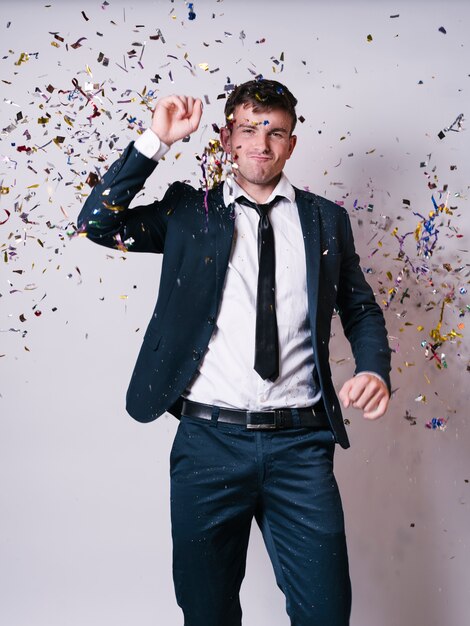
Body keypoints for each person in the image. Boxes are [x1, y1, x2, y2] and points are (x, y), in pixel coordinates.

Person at [77, 79, 391, 626]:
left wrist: (374, 369)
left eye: (275, 133)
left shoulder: (325, 220)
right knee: (207, 613)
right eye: (248, 130)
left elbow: (359, 309)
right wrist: (155, 140)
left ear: (292, 144)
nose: (261, 145)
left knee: (325, 613)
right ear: (226, 138)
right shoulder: (187, 212)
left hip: (301, 446)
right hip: (208, 445)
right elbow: (97, 224)